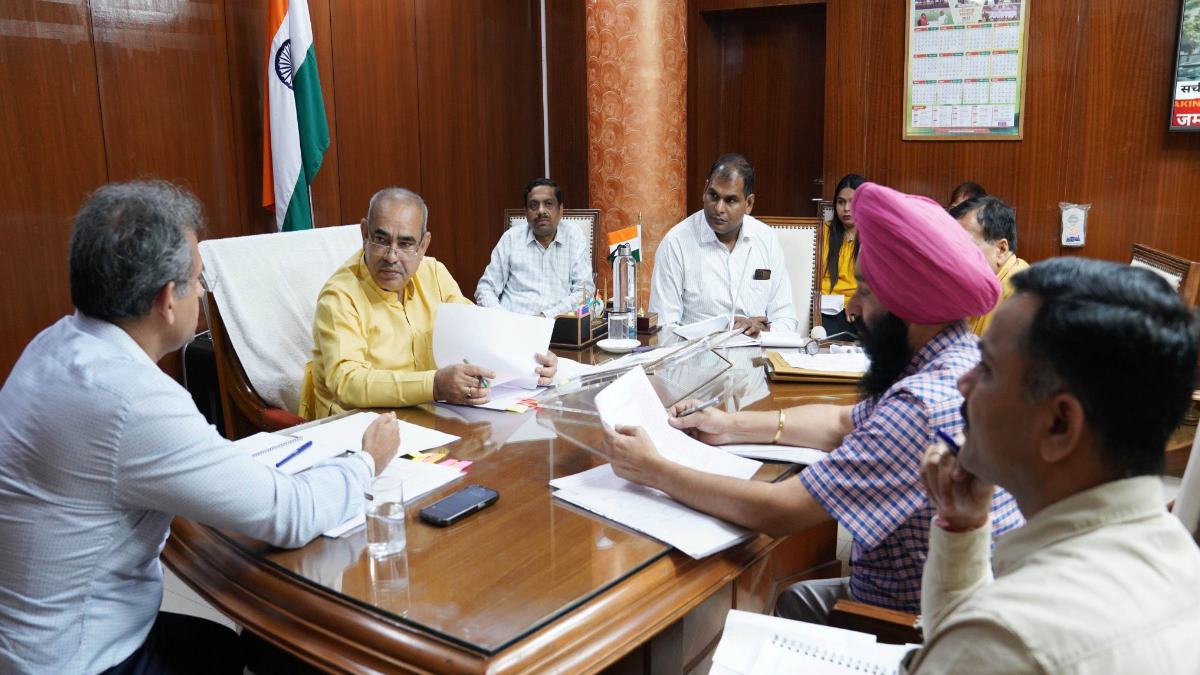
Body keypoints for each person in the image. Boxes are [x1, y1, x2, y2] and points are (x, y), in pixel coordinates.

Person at [0, 181, 401, 674]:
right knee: (285, 654)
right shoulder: (133, 400)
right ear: (169, 299)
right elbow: (290, 514)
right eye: (197, 279)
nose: (205, 292)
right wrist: (366, 460)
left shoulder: (53, 345)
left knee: (235, 646)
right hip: (82, 659)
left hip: (34, 636)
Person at [604, 183, 1023, 620]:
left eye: (865, 291)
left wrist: (654, 470)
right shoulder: (960, 360)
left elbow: (780, 510)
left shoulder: (919, 407)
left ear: (909, 304)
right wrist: (728, 425)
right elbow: (843, 423)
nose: (853, 308)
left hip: (907, 621)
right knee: (792, 598)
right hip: (936, 598)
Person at [905, 258, 1200, 673]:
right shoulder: (1182, 561)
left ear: (1060, 424)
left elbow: (980, 649)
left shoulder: (1006, 641)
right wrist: (962, 528)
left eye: (986, 368)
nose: (963, 383)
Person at [300, 187, 558, 418]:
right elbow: (347, 383)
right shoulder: (339, 295)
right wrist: (434, 385)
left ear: (423, 245)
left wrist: (531, 358)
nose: (391, 256)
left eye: (405, 244)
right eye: (381, 240)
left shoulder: (433, 272)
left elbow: (478, 333)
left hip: (430, 415)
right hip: (359, 426)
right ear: (365, 233)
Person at [649, 153, 798, 337]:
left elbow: (786, 319)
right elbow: (663, 329)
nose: (718, 208)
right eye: (713, 195)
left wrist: (764, 331)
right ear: (705, 189)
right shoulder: (676, 243)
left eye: (730, 200)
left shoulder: (766, 239)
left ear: (749, 203)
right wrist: (724, 329)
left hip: (757, 351)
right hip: (697, 352)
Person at [475, 178, 594, 317]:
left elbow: (585, 292)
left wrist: (545, 317)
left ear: (561, 209)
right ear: (525, 212)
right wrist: (505, 319)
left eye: (548, 204)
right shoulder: (511, 238)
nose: (541, 211)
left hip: (555, 323)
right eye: (533, 205)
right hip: (511, 323)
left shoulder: (574, 236)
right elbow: (485, 289)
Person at [949, 195, 1029, 336]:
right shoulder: (982, 284)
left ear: (1001, 250)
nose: (954, 257)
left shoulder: (1022, 293)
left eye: (964, 246)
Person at [819, 173, 867, 336]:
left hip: (860, 307)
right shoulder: (821, 233)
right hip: (826, 309)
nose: (846, 208)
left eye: (853, 202)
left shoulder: (874, 236)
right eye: (841, 202)